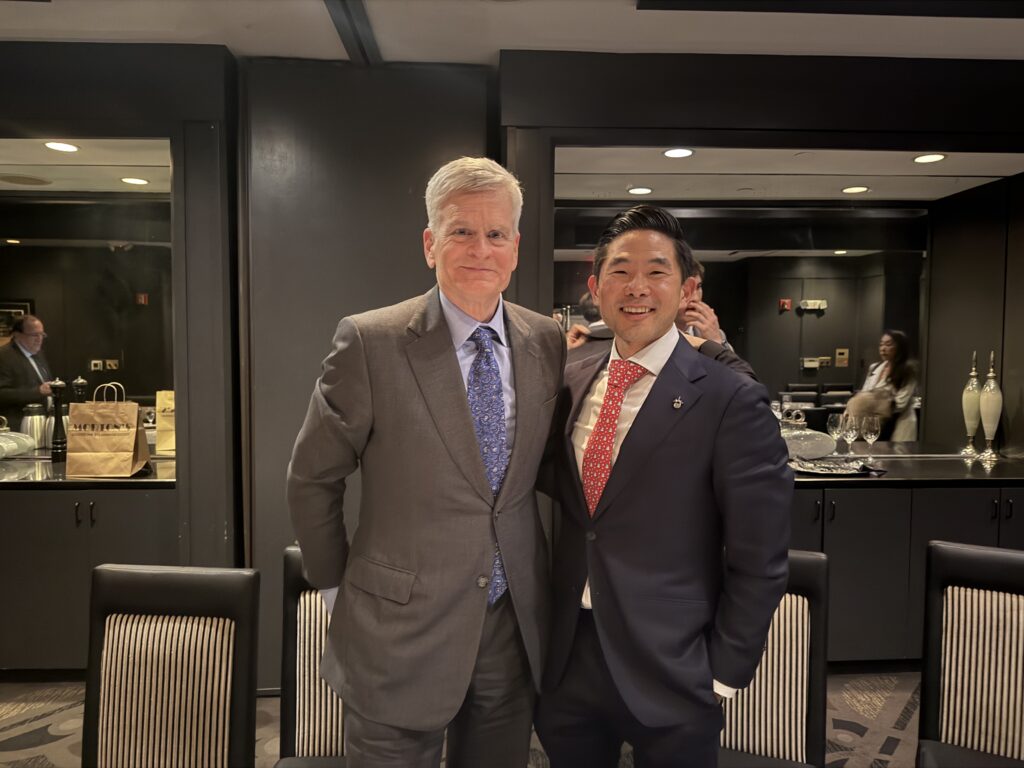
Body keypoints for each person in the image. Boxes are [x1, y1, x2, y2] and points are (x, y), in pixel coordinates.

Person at [287, 157, 566, 768]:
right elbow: (313, 477)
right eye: (461, 230)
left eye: (496, 234)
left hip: (509, 624)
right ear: (429, 243)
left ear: (516, 248)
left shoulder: (545, 340)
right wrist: (337, 590)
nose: (480, 249)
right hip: (396, 627)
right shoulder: (370, 341)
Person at [535, 205, 792, 768]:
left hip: (677, 666)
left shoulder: (731, 399)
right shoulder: (571, 378)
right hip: (569, 658)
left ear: (687, 288)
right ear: (595, 287)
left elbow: (762, 555)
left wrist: (723, 674)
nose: (637, 287)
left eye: (657, 271)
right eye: (620, 271)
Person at [859, 329, 917, 441]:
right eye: (881, 344)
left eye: (888, 344)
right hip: (876, 424)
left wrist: (871, 403)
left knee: (897, 455)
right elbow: (864, 393)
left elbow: (900, 404)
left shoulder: (908, 371)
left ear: (900, 347)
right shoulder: (874, 367)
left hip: (900, 423)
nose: (883, 348)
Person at [0, 315, 53, 429]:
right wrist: (38, 391)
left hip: (42, 422)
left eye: (42, 334)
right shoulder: (4, 356)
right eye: (34, 335)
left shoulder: (38, 353)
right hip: (18, 426)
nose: (39, 339)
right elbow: (2, 394)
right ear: (17, 335)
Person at [677, 260, 732, 349]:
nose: (695, 298)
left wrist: (715, 343)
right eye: (685, 289)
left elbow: (731, 362)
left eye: (698, 287)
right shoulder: (650, 336)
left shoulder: (715, 334)